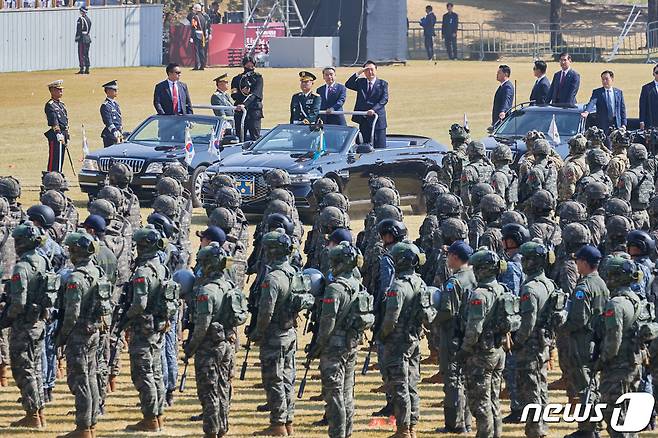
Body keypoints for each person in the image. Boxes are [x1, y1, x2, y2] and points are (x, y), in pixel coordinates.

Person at [184, 243, 245, 438]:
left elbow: (202, 326)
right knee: (223, 387)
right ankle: (222, 427)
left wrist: (190, 347)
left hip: (209, 347)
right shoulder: (229, 286)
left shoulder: (206, 291)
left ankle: (211, 431)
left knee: (209, 390)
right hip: (226, 344)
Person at [310, 241, 367, 438]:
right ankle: (347, 432)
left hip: (334, 347)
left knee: (334, 394)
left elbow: (327, 323)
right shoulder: (358, 285)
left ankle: (337, 433)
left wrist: (318, 346)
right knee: (346, 392)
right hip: (351, 344)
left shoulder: (335, 289)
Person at [56, 230, 108, 438]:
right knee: (91, 376)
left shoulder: (76, 278)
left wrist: (62, 335)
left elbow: (72, 313)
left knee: (80, 379)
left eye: (71, 249)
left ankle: (83, 427)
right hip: (93, 330)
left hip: (79, 333)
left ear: (77, 251)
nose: (69, 252)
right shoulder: (96, 271)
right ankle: (91, 421)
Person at [249, 230, 298, 436]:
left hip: (274, 335)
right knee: (287, 378)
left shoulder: (273, 278)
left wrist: (258, 333)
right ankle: (288, 421)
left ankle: (278, 424)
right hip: (289, 332)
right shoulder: (293, 272)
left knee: (273, 379)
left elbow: (266, 311)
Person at [4, 222, 52, 429]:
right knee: (36, 368)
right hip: (39, 322)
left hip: (24, 325)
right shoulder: (43, 260)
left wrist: (6, 319)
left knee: (23, 369)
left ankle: (32, 414)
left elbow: (19, 302)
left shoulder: (22, 266)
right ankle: (39, 412)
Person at [380, 241, 427, 438]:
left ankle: (403, 429)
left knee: (400, 385)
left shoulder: (398, 287)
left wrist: (382, 335)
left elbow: (391, 319)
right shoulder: (420, 283)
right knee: (412, 384)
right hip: (414, 339)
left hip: (398, 343)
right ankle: (412, 426)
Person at [124, 226, 169, 432]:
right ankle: (158, 414)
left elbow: (139, 304)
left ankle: (150, 418)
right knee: (156, 371)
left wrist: (125, 319)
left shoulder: (143, 272)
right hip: (157, 327)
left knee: (143, 373)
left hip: (144, 328)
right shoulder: (161, 267)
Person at [562, 245, 609, 438]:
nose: (576, 264)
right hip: (596, 339)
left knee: (583, 386)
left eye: (578, 260)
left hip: (582, 341)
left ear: (584, 262)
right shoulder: (602, 284)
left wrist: (563, 327)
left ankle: (588, 430)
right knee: (591, 385)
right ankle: (593, 426)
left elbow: (579, 319)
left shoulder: (584, 287)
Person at [435, 240, 475, 434]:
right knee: (465, 379)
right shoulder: (474, 276)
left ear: (456, 257)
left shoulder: (454, 282)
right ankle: (466, 421)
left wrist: (431, 316)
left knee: (453, 379)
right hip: (468, 335)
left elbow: (448, 311)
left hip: (453, 334)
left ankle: (454, 424)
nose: (447, 258)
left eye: (449, 254)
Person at [345, 60, 389, 149]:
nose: (370, 72)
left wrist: (373, 110)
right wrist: (358, 73)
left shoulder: (382, 83)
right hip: (364, 120)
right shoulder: (361, 82)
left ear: (376, 70)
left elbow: (384, 99)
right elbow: (348, 84)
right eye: (367, 70)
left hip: (377, 121)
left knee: (379, 147)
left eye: (372, 69)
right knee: (364, 147)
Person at [581, 70, 627, 135]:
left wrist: (624, 124)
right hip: (603, 125)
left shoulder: (618, 92)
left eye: (606, 79)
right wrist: (586, 112)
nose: (604, 81)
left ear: (612, 79)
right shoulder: (597, 92)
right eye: (603, 79)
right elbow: (592, 102)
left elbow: (622, 109)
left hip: (616, 124)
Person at [231, 56, 264, 141]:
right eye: (248, 66)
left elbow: (256, 94)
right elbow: (233, 95)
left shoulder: (258, 78)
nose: (250, 68)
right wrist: (241, 92)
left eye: (252, 66)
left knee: (255, 137)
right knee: (240, 137)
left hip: (254, 111)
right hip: (240, 113)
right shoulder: (236, 79)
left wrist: (244, 104)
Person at [44, 80, 69, 173]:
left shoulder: (61, 105)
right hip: (56, 135)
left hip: (63, 133)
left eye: (61, 90)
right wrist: (58, 132)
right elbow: (54, 120)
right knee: (54, 157)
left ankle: (58, 175)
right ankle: (50, 176)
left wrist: (67, 135)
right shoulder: (50, 105)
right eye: (58, 90)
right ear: (52, 91)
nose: (61, 92)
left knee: (60, 157)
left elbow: (65, 121)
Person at [100, 80, 123, 148]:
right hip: (110, 135)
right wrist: (114, 131)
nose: (116, 91)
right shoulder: (105, 106)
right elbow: (108, 121)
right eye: (114, 90)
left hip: (118, 134)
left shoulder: (115, 104)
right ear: (108, 91)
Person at [189, 4, 211, 71]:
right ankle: (202, 65)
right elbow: (204, 28)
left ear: (196, 9)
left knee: (196, 51)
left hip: (196, 35)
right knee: (201, 51)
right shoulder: (203, 17)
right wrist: (204, 36)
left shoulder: (194, 17)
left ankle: (196, 66)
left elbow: (194, 27)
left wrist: (191, 37)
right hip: (202, 35)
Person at [639, 63, 658, 129]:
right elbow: (642, 105)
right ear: (653, 73)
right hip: (651, 122)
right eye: (657, 72)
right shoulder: (646, 88)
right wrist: (642, 121)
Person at [75, 6, 91, 75]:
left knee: (81, 54)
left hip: (82, 38)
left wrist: (77, 38)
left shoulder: (80, 19)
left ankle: (82, 69)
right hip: (87, 37)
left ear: (82, 11)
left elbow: (78, 30)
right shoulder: (88, 19)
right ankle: (87, 68)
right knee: (86, 54)